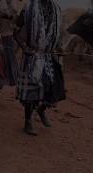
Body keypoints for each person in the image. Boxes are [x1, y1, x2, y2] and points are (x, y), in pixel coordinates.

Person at [14, 0, 65, 136]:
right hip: (32, 57)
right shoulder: (28, 8)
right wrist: (25, 48)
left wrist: (58, 47)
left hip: (49, 56)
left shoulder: (56, 9)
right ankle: (28, 122)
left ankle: (42, 110)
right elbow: (16, 32)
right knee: (32, 92)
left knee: (54, 88)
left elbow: (57, 34)